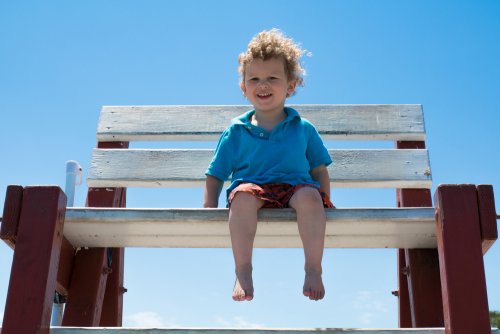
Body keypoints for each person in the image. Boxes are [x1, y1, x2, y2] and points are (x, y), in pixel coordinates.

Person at [204, 29, 334, 302]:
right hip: (252, 189)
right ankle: (243, 270)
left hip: (295, 188)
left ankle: (313, 268)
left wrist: (324, 200)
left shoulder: (303, 128)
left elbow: (319, 170)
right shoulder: (237, 130)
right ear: (244, 87)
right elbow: (216, 173)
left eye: (272, 78)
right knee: (241, 198)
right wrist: (208, 206)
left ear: (291, 85)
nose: (262, 85)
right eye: (254, 79)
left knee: (310, 196)